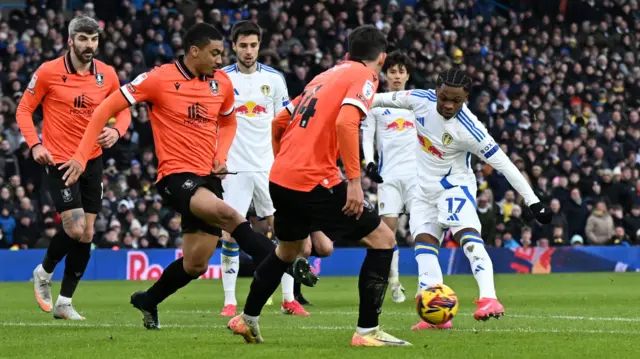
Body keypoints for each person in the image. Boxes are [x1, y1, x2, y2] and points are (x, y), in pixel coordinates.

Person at [59, 23, 316, 330]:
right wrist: (80, 154)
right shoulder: (158, 79)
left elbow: (229, 122)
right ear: (195, 52)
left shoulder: (220, 82)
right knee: (229, 216)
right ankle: (289, 262)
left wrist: (220, 155)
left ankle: (148, 300)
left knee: (195, 264)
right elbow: (104, 108)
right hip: (175, 176)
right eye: (215, 53)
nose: (221, 60)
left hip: (208, 177)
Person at [228, 25, 411, 347]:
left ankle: (247, 318)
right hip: (314, 179)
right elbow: (345, 121)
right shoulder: (365, 76)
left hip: (281, 176)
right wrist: (354, 182)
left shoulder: (323, 77)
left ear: (347, 52)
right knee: (383, 239)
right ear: (381, 58)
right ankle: (368, 331)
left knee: (287, 251)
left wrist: (284, 159)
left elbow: (278, 122)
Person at [371, 68, 552, 330]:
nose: (448, 104)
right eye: (444, 97)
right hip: (422, 189)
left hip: (453, 187)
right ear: (436, 91)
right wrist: (351, 99)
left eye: (456, 100)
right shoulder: (420, 99)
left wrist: (533, 202)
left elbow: (506, 165)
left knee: (467, 239)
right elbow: (381, 99)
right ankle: (438, 317)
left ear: (466, 97)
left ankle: (490, 298)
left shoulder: (471, 130)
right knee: (424, 247)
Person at [16, 15, 131, 320]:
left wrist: (117, 131)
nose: (89, 45)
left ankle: (64, 302)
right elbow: (24, 109)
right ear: (70, 40)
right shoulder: (48, 72)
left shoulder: (107, 75)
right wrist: (35, 144)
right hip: (60, 160)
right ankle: (43, 272)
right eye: (83, 39)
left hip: (92, 160)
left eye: (93, 39)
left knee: (88, 233)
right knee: (75, 228)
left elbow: (124, 112)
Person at [218, 21, 307, 317]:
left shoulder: (274, 79)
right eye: (242, 45)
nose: (248, 51)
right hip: (234, 168)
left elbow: (285, 122)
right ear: (233, 46)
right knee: (230, 233)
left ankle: (288, 299)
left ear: (259, 45)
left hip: (269, 166)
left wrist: (286, 158)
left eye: (253, 45)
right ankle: (229, 302)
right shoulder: (221, 79)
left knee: (283, 230)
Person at [361, 50, 417, 303]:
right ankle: (394, 282)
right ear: (385, 75)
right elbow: (367, 134)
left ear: (408, 75)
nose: (396, 76)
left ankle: (429, 283)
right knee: (388, 231)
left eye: (401, 72)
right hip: (390, 177)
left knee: (423, 229)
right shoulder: (376, 103)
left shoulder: (416, 102)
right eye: (392, 71)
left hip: (417, 175)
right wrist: (369, 162)